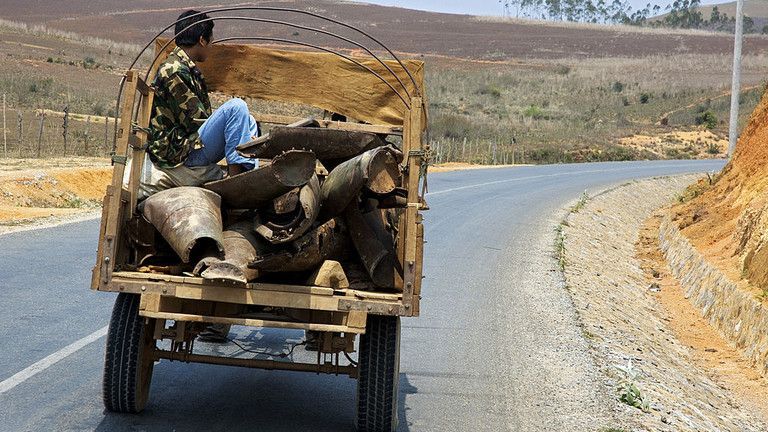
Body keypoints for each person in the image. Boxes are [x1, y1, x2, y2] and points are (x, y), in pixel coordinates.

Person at [139, 9, 259, 200]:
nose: (210, 47)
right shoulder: (174, 70)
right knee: (237, 107)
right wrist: (238, 135)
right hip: (180, 154)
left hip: (189, 146)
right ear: (202, 40)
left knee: (248, 119)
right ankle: (236, 181)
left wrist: (242, 132)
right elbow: (196, 122)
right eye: (210, 41)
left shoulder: (185, 67)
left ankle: (245, 174)